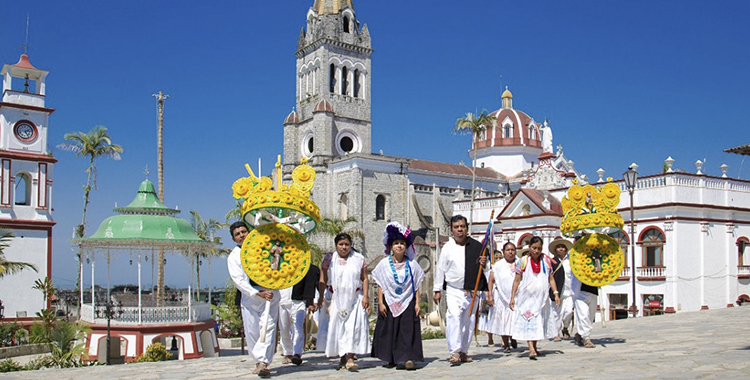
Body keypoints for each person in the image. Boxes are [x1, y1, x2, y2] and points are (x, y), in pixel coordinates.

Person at [433, 215, 488, 365]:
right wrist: (437, 289)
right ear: (451, 230)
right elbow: (440, 269)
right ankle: (455, 351)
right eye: (456, 227)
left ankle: (464, 351)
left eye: (462, 226)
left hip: (471, 291)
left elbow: (486, 270)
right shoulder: (447, 248)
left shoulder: (477, 247)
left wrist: (485, 263)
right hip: (453, 289)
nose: (460, 230)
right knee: (454, 318)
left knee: (468, 321)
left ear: (466, 228)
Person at [227, 221, 279, 377]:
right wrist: (257, 293)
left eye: (244, 231)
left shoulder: (263, 247)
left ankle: (264, 363)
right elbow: (238, 280)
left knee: (267, 328)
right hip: (251, 299)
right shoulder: (234, 256)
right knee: (253, 332)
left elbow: (277, 265)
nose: (242, 235)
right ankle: (258, 361)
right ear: (234, 238)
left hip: (270, 296)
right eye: (238, 234)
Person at [371, 222, 425, 370]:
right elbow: (380, 283)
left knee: (406, 330)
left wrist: (417, 303)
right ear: (391, 246)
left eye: (402, 243)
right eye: (396, 243)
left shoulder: (412, 264)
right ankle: (391, 358)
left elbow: (417, 284)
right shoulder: (384, 264)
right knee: (391, 329)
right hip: (389, 301)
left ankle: (407, 358)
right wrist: (381, 303)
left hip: (408, 300)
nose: (399, 246)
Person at [320, 233, 370, 371]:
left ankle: (350, 358)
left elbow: (364, 278)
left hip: (354, 298)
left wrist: (366, 296)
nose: (344, 247)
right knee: (338, 328)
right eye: (341, 244)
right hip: (336, 298)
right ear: (336, 245)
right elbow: (323, 279)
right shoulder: (329, 259)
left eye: (347, 244)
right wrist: (320, 297)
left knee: (353, 327)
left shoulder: (358, 258)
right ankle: (342, 357)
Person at [509, 236, 560, 360]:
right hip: (526, 298)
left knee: (538, 323)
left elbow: (551, 278)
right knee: (529, 321)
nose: (536, 251)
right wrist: (512, 297)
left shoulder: (546, 261)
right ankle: (531, 348)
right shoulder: (523, 261)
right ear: (529, 247)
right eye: (534, 248)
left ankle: (535, 346)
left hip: (541, 298)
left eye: (539, 248)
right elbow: (516, 280)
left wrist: (556, 293)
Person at [278, 263, 321, 365]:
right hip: (282, 298)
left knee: (298, 327)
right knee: (284, 328)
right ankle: (288, 352)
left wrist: (311, 300)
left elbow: (311, 283)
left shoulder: (305, 265)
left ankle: (297, 353)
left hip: (298, 299)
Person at [486, 242, 518, 353]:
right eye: (508, 250)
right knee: (504, 320)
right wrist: (490, 294)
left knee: (515, 319)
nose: (510, 252)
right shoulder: (498, 266)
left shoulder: (519, 263)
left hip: (516, 296)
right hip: (501, 297)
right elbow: (491, 280)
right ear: (504, 251)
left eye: (512, 250)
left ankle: (513, 337)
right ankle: (506, 344)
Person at [547, 237, 573, 342]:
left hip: (569, 291)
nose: (561, 249)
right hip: (557, 291)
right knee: (556, 313)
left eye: (563, 247)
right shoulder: (552, 262)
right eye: (558, 247)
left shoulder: (570, 261)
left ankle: (565, 327)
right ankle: (555, 333)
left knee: (568, 312)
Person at [571, 267, 598, 348]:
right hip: (579, 292)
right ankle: (587, 339)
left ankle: (579, 334)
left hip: (593, 290)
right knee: (583, 314)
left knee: (590, 316)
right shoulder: (575, 257)